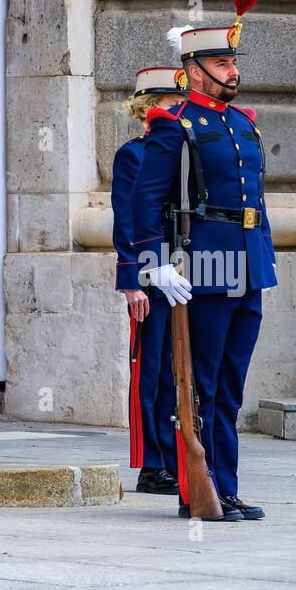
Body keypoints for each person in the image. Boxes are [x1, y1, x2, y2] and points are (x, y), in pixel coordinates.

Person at [129, 0, 276, 521]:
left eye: (233, 62)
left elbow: (256, 199)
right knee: (204, 385)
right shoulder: (175, 124)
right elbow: (146, 202)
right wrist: (154, 265)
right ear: (194, 70)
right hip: (205, 267)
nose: (234, 71)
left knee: (232, 387)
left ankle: (228, 488)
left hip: (248, 265)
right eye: (222, 63)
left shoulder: (242, 125)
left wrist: (267, 251)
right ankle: (200, 488)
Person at [113, 67, 186, 496]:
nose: (180, 110)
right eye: (172, 105)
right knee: (152, 369)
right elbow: (127, 219)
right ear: (149, 108)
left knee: (183, 368)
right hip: (149, 275)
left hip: (190, 271)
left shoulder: (185, 153)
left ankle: (178, 453)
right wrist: (132, 282)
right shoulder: (134, 154)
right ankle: (152, 463)